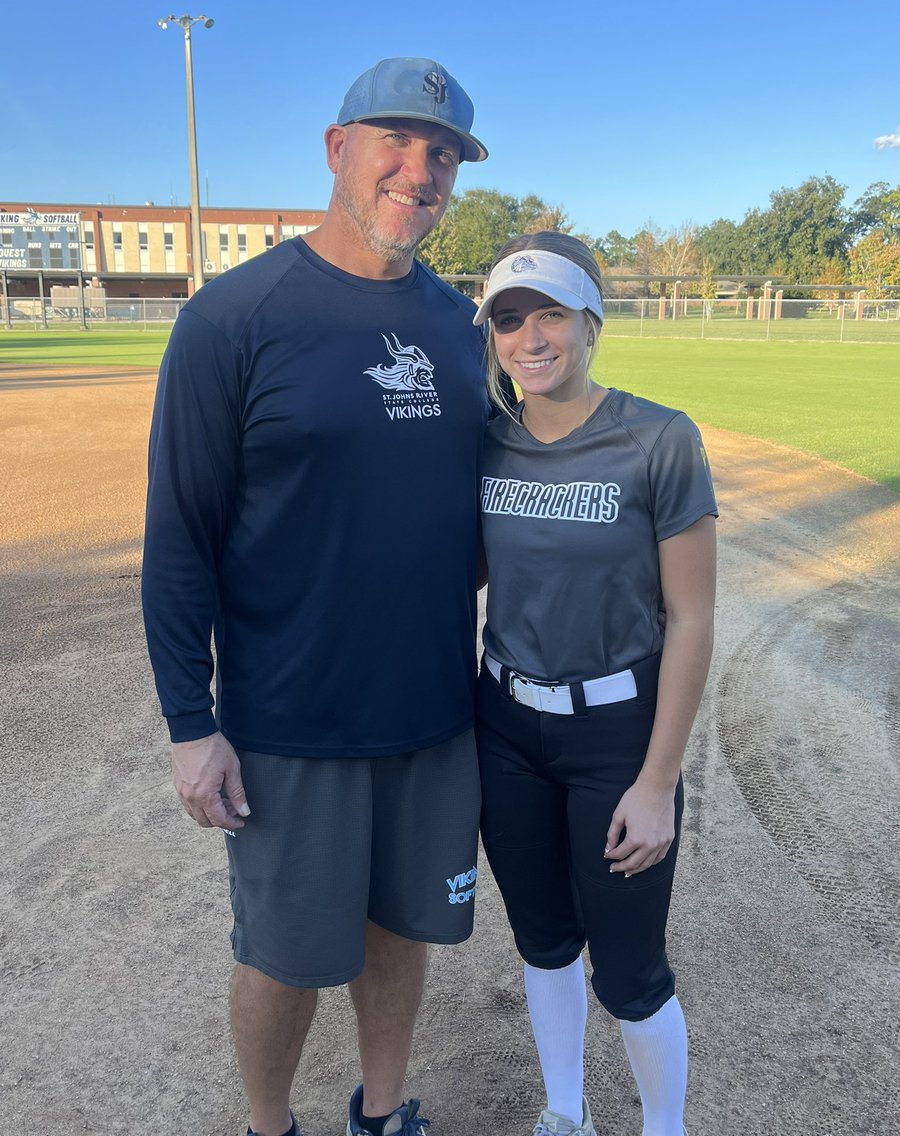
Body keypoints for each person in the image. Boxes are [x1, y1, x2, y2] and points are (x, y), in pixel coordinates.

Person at [142, 57, 490, 1136]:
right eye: (396, 142)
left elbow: (484, 509)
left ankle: (384, 1111)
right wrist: (191, 726)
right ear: (338, 150)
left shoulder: (461, 326)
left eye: (442, 155)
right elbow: (181, 534)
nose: (418, 170)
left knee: (400, 934)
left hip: (432, 711)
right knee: (287, 955)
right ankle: (268, 1124)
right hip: (292, 717)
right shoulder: (233, 317)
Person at [472, 232, 717, 1136]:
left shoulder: (659, 438)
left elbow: (691, 619)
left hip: (616, 737)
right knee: (542, 942)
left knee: (627, 970)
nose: (530, 338)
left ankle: (664, 1127)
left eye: (549, 316)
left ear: (591, 322)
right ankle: (564, 1111)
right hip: (506, 729)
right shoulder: (486, 442)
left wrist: (657, 785)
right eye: (509, 321)